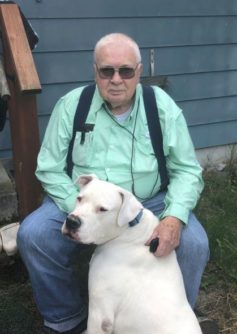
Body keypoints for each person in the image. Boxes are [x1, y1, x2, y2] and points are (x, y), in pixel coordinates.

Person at [17, 33, 215, 334]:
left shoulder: (160, 107)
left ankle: (170, 317)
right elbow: (48, 168)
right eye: (106, 71)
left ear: (138, 72)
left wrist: (173, 217)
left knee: (194, 244)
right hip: (82, 198)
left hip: (149, 201)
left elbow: (187, 170)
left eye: (125, 71)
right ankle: (65, 320)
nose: (116, 79)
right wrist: (84, 208)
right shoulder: (72, 105)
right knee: (34, 236)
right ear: (95, 72)